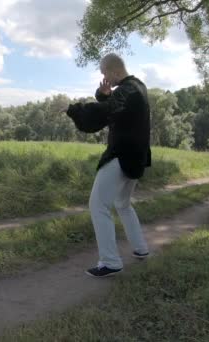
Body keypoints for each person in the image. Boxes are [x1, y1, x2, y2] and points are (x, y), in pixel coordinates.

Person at [66, 53, 152, 277]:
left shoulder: (127, 90)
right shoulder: (138, 87)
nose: (104, 78)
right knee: (123, 204)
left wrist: (76, 110)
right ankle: (141, 249)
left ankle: (110, 261)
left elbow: (101, 114)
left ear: (114, 71)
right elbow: (116, 109)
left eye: (104, 73)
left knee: (98, 205)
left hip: (122, 155)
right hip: (137, 156)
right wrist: (103, 95)